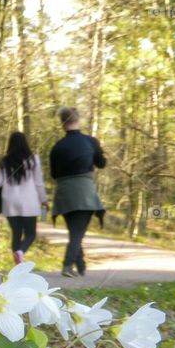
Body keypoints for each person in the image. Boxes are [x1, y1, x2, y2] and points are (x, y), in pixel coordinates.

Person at [49, 107, 107, 277]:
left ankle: (81, 266)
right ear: (78, 120)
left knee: (75, 230)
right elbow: (102, 163)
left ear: (62, 123)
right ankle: (67, 265)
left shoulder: (57, 147)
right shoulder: (90, 141)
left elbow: (53, 174)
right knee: (77, 232)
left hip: (64, 193)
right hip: (84, 192)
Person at [0, 131, 48, 265]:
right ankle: (21, 252)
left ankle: (17, 265)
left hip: (9, 201)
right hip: (28, 201)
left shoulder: (4, 161)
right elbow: (38, 182)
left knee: (16, 233)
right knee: (30, 233)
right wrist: (43, 200)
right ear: (25, 143)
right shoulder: (33, 159)